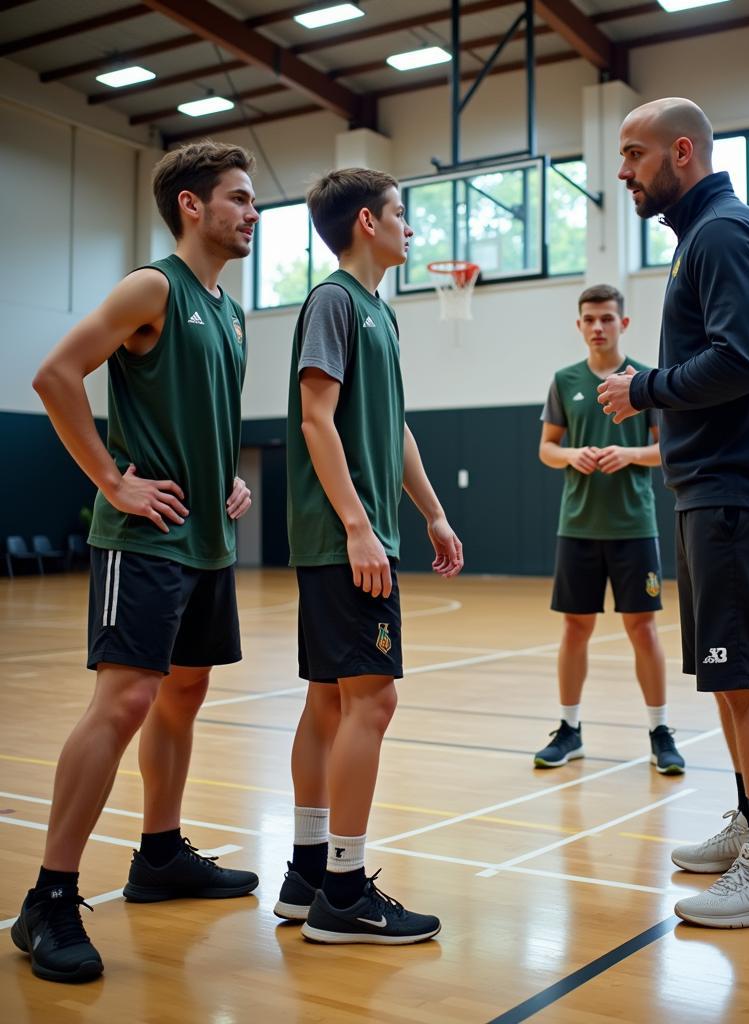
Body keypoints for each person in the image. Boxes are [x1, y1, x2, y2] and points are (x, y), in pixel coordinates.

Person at [13, 141, 261, 983]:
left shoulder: (228, 311)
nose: (252, 212)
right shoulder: (151, 286)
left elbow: (193, 412)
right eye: (239, 198)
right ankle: (48, 898)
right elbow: (55, 375)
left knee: (182, 693)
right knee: (124, 701)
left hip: (204, 538)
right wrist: (112, 481)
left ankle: (159, 854)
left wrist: (224, 473)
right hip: (145, 541)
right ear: (192, 206)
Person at [599, 97, 749, 928]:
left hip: (735, 487)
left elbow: (742, 359)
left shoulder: (721, 233)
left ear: (681, 152)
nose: (623, 172)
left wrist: (642, 386)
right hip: (713, 489)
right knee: (730, 676)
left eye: (633, 155)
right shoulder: (706, 237)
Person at [276, 168, 464, 945]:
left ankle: (309, 873)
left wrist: (434, 512)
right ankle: (346, 892)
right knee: (372, 702)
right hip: (343, 537)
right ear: (365, 221)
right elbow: (316, 417)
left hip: (361, 531)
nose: (410, 229)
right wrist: (357, 525)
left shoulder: (379, 313)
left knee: (330, 701)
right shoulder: (334, 301)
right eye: (400, 215)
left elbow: (396, 430)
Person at [535, 283, 685, 775]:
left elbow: (669, 450)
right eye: (589, 319)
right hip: (576, 526)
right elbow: (547, 449)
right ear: (579, 325)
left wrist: (631, 454)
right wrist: (571, 455)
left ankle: (660, 731)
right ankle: (569, 729)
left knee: (642, 629)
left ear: (623, 322)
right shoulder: (564, 380)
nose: (597, 327)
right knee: (574, 628)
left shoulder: (646, 379)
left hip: (633, 526)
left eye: (606, 318)